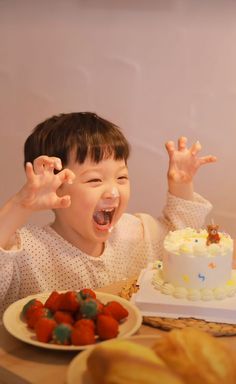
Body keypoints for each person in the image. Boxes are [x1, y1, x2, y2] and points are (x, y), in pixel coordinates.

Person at [0, 112, 216, 316]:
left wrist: (182, 185)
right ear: (55, 187)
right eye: (94, 180)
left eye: (121, 178)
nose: (113, 192)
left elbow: (181, 243)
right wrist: (21, 204)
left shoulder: (134, 233)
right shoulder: (24, 252)